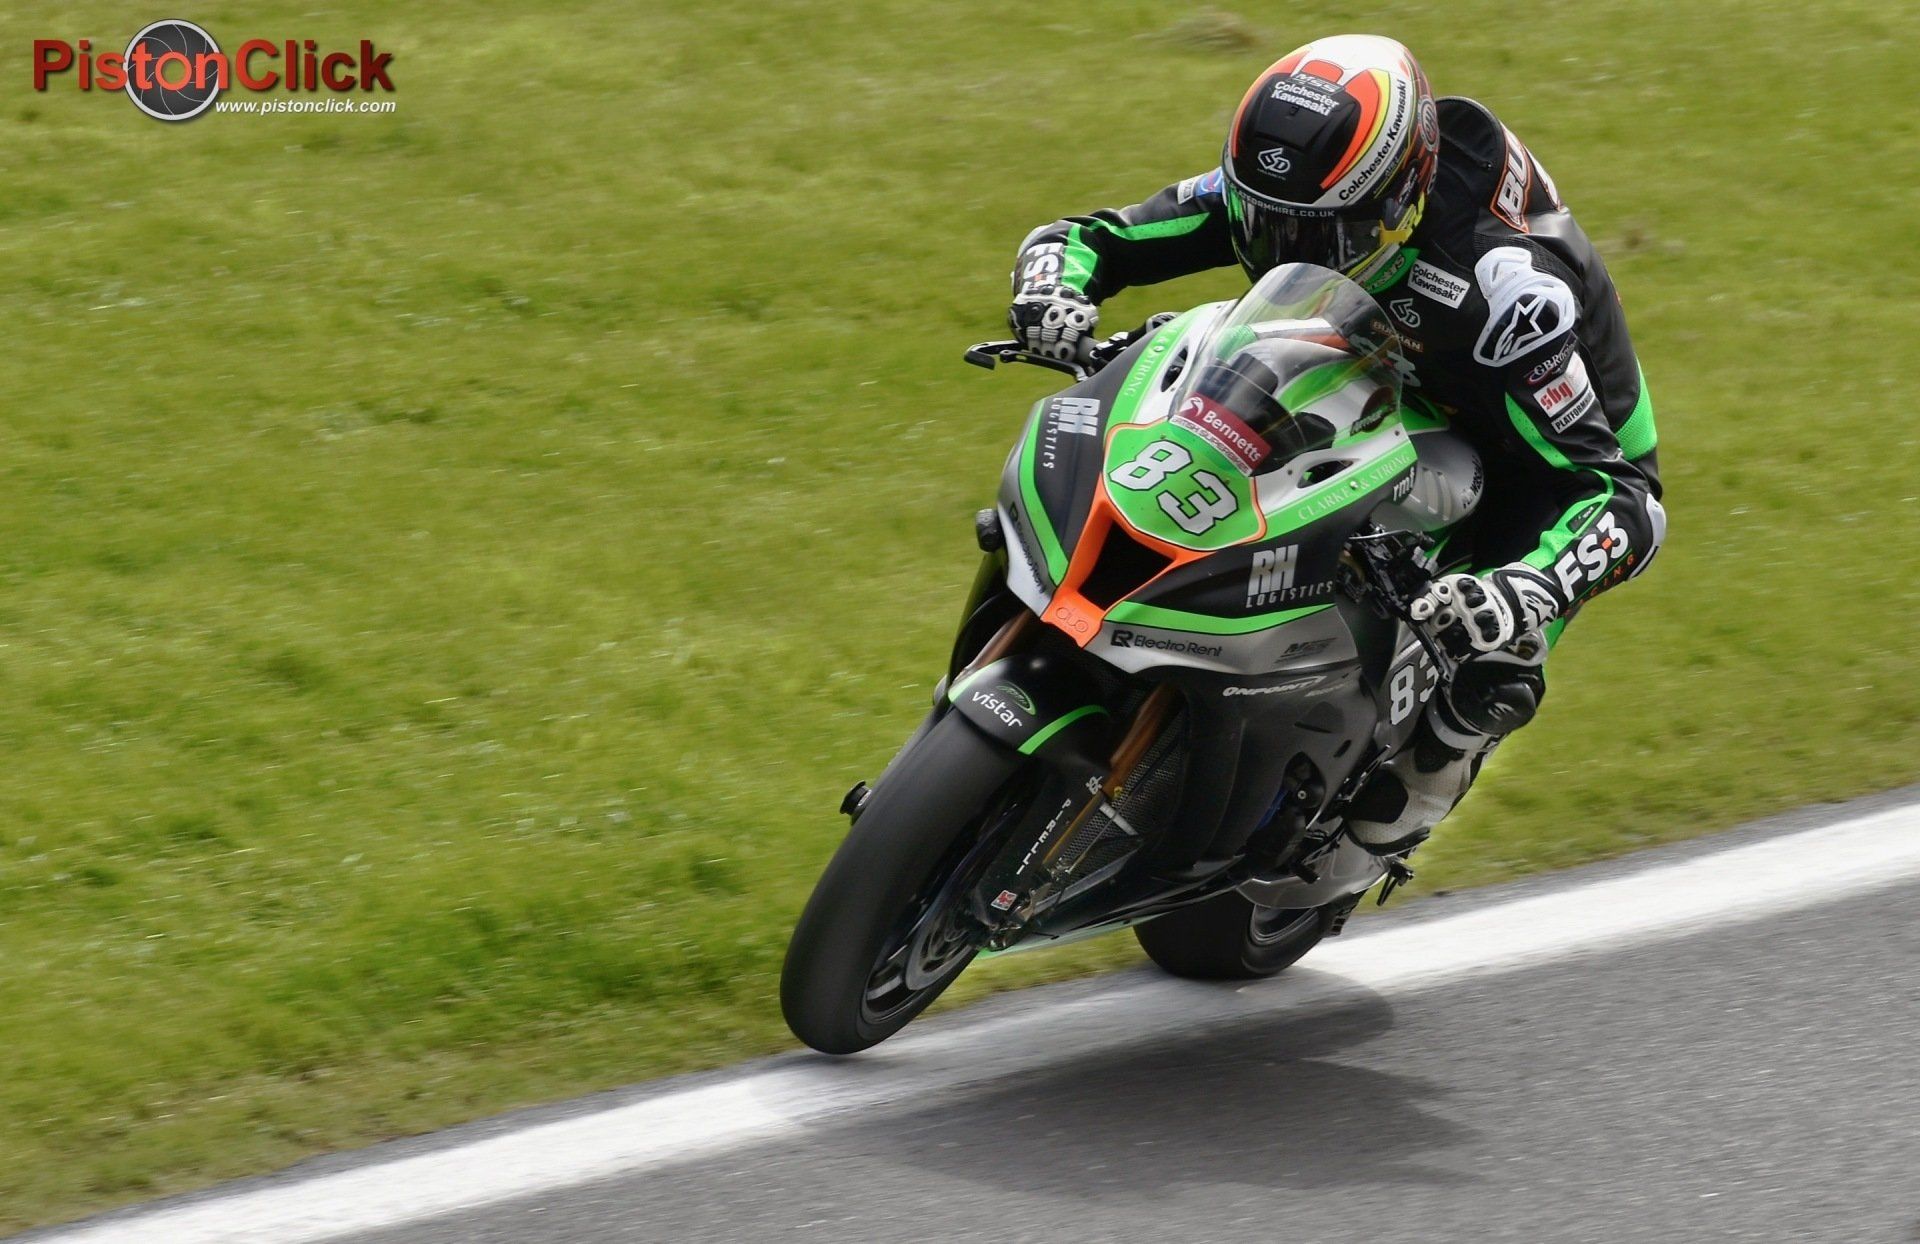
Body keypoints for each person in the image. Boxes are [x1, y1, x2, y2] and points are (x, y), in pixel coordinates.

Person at [1007, 33, 1666, 856]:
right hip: (1367, 352)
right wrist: (1053, 290)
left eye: (1318, 237)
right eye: (1264, 222)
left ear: (1402, 201)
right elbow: (1094, 238)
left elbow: (1623, 498)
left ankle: (1376, 832)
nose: (1282, 248)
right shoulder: (1297, 194)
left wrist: (1527, 584)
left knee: (1490, 664)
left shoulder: (1499, 289)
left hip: (1531, 443)